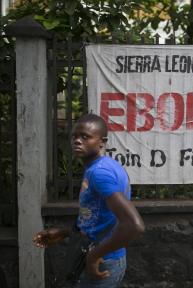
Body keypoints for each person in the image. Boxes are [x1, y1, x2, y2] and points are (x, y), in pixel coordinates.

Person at [33, 114, 145, 287]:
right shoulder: (99, 167)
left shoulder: (99, 173)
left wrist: (94, 256)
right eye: (74, 136)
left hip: (104, 262)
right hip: (102, 257)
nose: (77, 141)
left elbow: (134, 225)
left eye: (85, 137)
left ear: (102, 142)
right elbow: (99, 217)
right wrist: (64, 232)